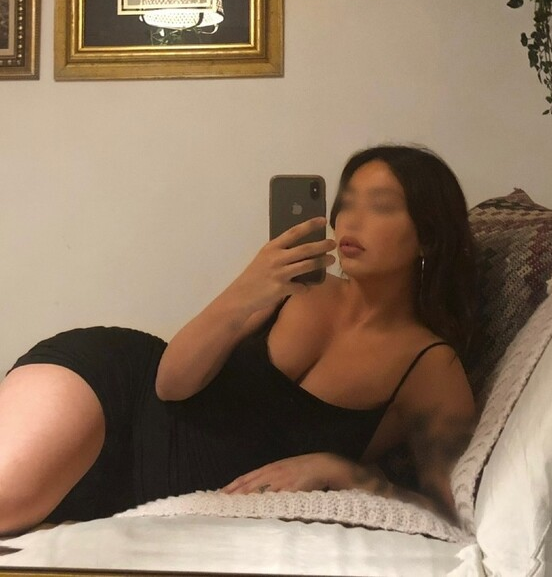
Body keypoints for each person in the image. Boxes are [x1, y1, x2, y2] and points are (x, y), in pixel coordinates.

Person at [0, 145, 478, 537]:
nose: (351, 220)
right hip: (116, 393)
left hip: (145, 493)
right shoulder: (291, 286)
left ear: (429, 238)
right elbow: (170, 383)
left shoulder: (429, 365)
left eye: (381, 206)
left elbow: (450, 515)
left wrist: (342, 471)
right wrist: (247, 288)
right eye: (346, 202)